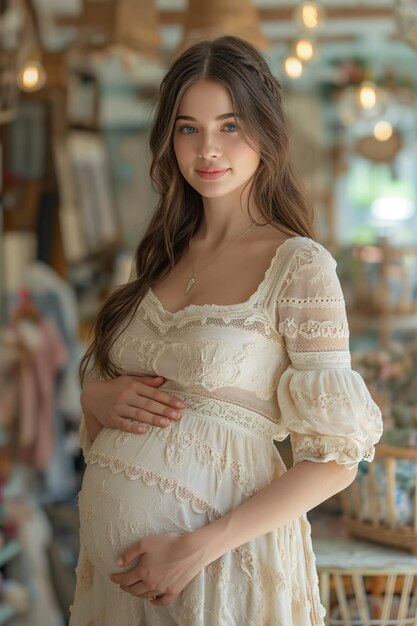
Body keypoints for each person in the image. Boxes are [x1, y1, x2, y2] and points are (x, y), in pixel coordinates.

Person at [69, 35, 383, 626]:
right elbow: (112, 425)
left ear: (265, 131)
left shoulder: (299, 265)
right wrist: (94, 398)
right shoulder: (159, 260)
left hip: (220, 573)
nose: (207, 149)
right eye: (188, 128)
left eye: (230, 125)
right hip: (115, 588)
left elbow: (337, 459)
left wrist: (198, 548)